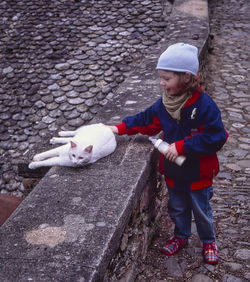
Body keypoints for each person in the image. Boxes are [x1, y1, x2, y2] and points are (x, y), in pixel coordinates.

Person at [107, 42, 227, 264]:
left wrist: (182, 146)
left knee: (201, 210)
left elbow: (217, 137)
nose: (161, 83)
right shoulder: (164, 104)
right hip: (174, 171)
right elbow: (145, 120)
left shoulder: (204, 106)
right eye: (160, 77)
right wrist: (119, 129)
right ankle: (181, 236)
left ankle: (209, 240)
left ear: (186, 78)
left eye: (167, 78)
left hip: (198, 173)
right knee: (177, 207)